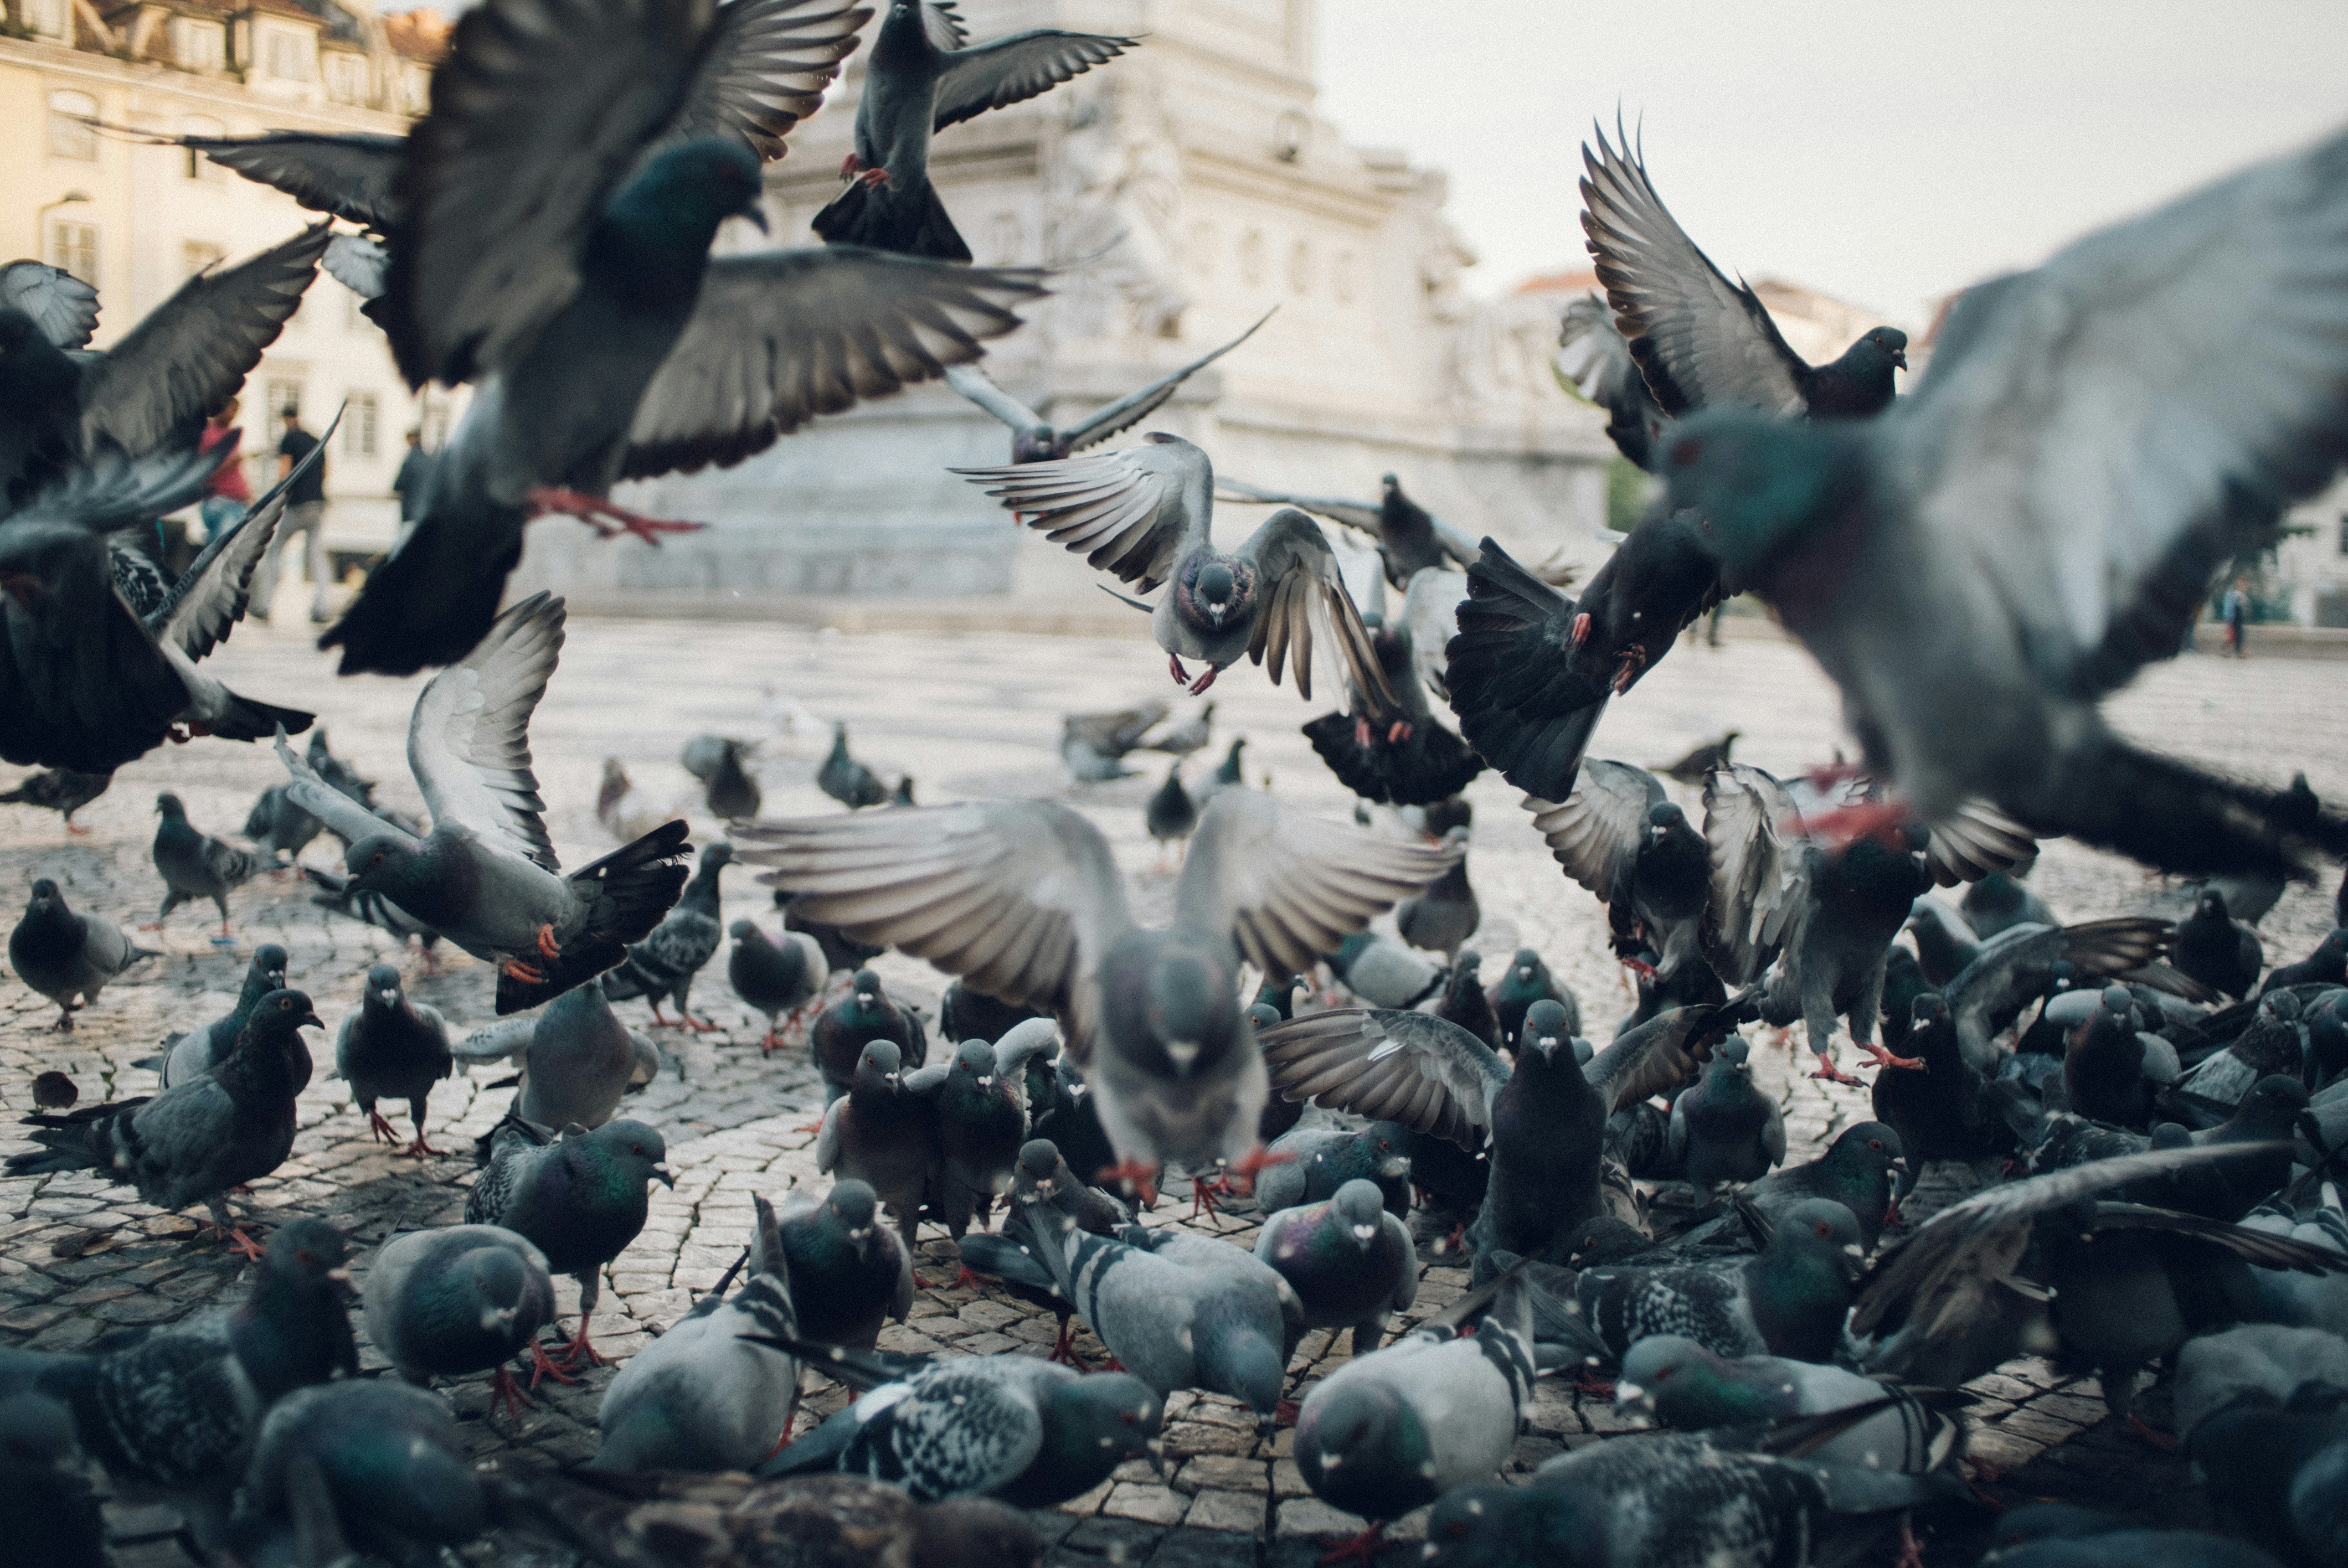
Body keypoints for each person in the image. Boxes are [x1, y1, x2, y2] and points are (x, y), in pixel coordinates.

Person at [256, 405, 331, 625]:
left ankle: (264, 605)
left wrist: (275, 498)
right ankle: (322, 606)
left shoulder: (289, 438)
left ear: (286, 419)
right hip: (317, 503)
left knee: (275, 550)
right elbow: (325, 472)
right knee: (316, 553)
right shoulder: (316, 439)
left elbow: (284, 471)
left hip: (297, 505)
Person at [197, 398, 250, 539]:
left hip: (238, 501)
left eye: (236, 411)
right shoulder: (206, 435)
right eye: (231, 410)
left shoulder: (230, 434)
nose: (233, 415)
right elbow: (200, 473)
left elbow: (236, 471)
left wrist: (250, 495)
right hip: (221, 501)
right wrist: (228, 465)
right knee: (226, 546)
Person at [391, 427, 435, 524]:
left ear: (411, 439)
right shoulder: (431, 461)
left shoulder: (410, 461)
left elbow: (398, 485)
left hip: (410, 512)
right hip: (426, 512)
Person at [2222, 577, 2250, 658]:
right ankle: (2230, 650)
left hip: (2239, 618)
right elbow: (2229, 607)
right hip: (2234, 617)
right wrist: (2228, 617)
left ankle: (2238, 651)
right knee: (2233, 635)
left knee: (2239, 635)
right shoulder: (2233, 594)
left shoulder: (2241, 595)